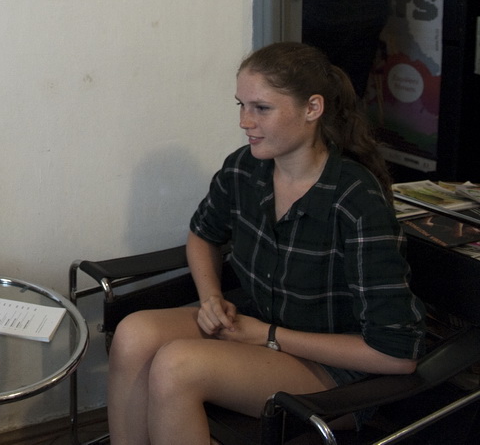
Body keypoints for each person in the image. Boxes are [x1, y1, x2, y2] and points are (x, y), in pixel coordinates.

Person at [105, 43, 424, 445]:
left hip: (339, 370)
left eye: (261, 108)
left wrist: (269, 336)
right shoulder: (245, 168)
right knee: (132, 334)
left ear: (312, 109)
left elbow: (397, 355)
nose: (245, 121)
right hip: (262, 325)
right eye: (241, 105)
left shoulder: (356, 199)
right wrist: (211, 298)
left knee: (176, 367)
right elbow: (203, 234)